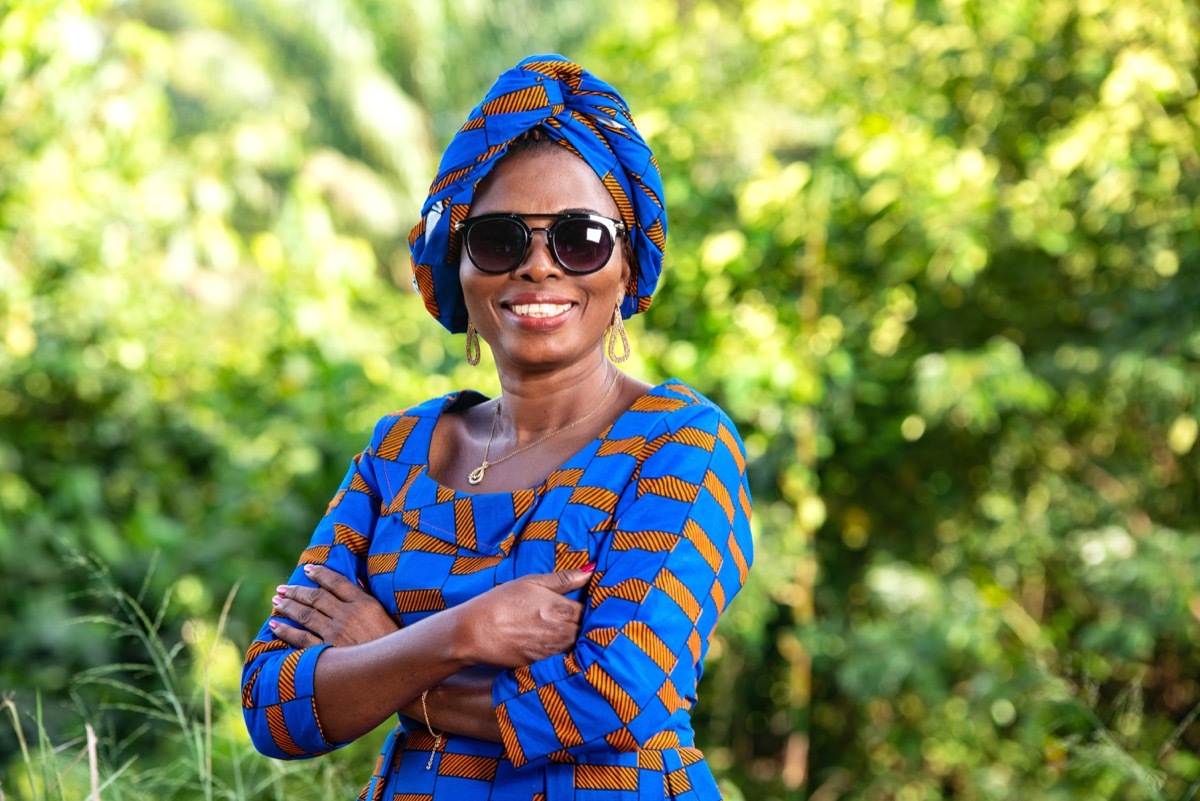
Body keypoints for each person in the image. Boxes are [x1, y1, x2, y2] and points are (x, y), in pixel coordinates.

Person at [241, 54, 754, 800]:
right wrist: (463, 631)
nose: (539, 266)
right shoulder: (398, 451)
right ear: (461, 263)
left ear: (625, 267)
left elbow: (607, 699)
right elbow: (273, 703)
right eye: (501, 239)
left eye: (580, 238)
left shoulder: (679, 444)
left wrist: (386, 660)